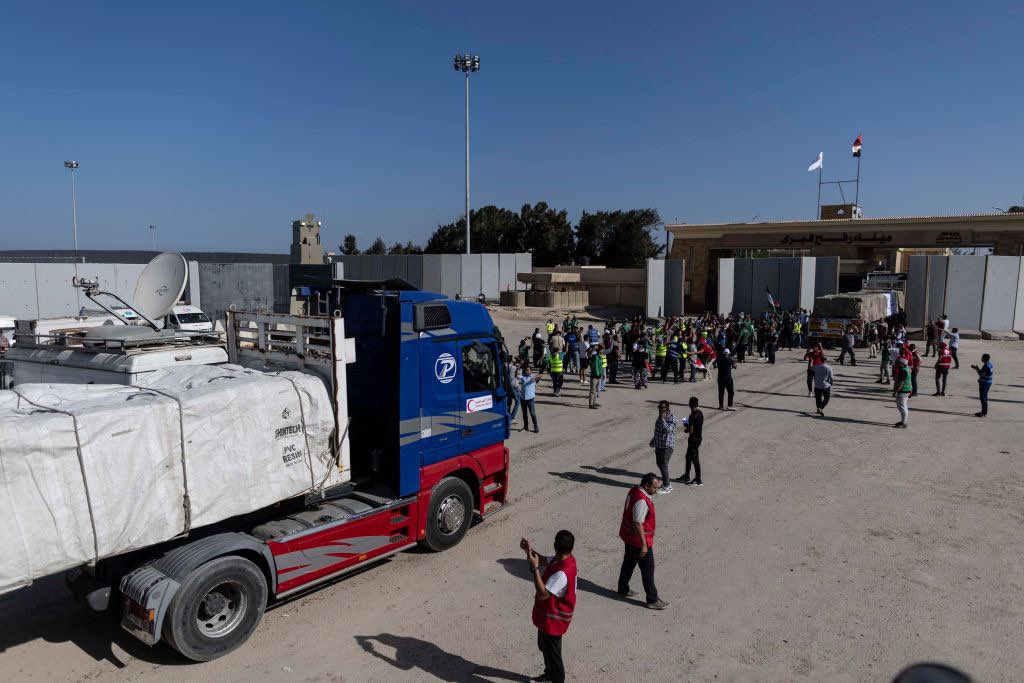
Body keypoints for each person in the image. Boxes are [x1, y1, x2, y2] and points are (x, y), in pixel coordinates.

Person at [521, 531, 577, 683]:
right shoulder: (564, 559)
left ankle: (555, 677)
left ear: (555, 545)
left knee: (554, 656)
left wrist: (535, 569)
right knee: (544, 647)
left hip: (554, 622)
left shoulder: (562, 574)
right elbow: (545, 560)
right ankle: (549, 674)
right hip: (547, 619)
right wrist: (529, 551)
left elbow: (543, 594)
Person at [616, 473, 669, 610]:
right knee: (648, 569)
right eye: (655, 487)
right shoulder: (641, 501)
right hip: (638, 541)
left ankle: (623, 588)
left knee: (628, 562)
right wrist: (644, 545)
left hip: (628, 536)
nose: (656, 490)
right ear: (647, 485)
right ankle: (652, 599)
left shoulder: (634, 490)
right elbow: (638, 524)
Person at [649, 401, 677, 494]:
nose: (660, 410)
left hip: (667, 446)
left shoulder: (672, 418)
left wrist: (662, 419)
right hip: (659, 444)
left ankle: (667, 486)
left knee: (663, 465)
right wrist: (654, 439)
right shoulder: (661, 416)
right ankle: (666, 484)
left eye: (662, 408)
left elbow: (668, 430)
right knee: (659, 463)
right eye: (659, 408)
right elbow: (658, 429)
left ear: (667, 409)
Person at [675, 396, 703, 486]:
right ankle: (686, 476)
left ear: (689, 405)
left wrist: (686, 426)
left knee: (695, 459)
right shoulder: (700, 413)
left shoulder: (692, 416)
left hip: (693, 440)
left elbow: (690, 431)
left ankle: (698, 480)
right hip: (698, 438)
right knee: (688, 457)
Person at [892, 357, 912, 428]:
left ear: (902, 364)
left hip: (903, 390)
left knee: (902, 406)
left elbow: (901, 383)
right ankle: (903, 421)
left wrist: (896, 391)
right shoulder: (907, 369)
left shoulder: (903, 371)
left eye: (898, 363)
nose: (897, 364)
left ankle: (904, 422)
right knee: (902, 406)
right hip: (906, 390)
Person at [520, 365, 540, 433]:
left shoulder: (532, 377)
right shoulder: (523, 377)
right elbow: (516, 376)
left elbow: (540, 375)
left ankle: (535, 427)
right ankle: (526, 426)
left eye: (528, 370)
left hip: (530, 399)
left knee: (532, 413)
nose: (526, 371)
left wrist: (535, 378)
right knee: (524, 413)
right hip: (523, 398)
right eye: (526, 370)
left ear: (531, 371)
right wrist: (517, 368)